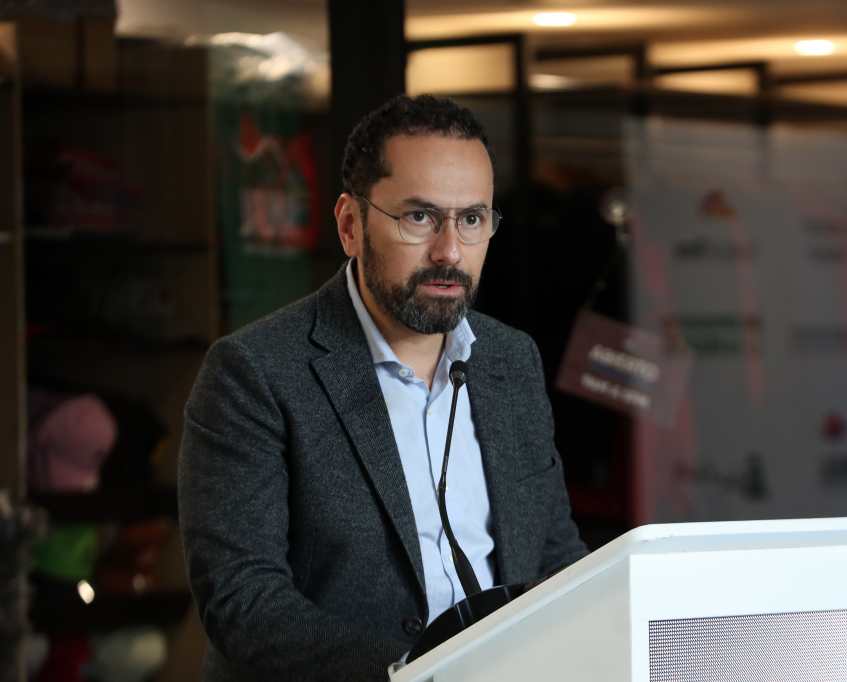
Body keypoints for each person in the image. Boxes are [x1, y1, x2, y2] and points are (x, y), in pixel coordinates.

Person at [178, 94, 588, 681]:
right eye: (419, 217)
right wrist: (414, 675)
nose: (450, 251)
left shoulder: (510, 359)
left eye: (472, 219)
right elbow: (243, 602)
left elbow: (554, 554)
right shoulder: (253, 373)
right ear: (351, 225)